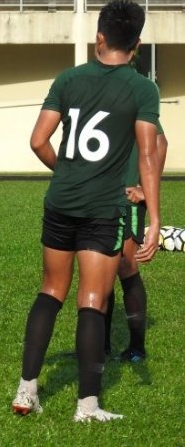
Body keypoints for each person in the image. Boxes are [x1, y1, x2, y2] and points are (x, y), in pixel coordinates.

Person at [11, 0, 161, 422]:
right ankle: (87, 406)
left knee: (49, 291)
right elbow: (148, 155)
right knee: (91, 300)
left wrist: (68, 172)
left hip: (60, 201)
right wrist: (152, 221)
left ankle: (26, 391)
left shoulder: (68, 78)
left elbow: (38, 140)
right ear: (137, 44)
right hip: (102, 209)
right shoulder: (142, 88)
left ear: (99, 38)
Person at [104, 123, 167, 362]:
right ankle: (99, 346)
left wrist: (146, 189)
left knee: (126, 266)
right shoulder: (99, 96)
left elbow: (160, 142)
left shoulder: (132, 93)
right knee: (100, 269)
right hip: (99, 199)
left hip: (126, 201)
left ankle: (137, 348)